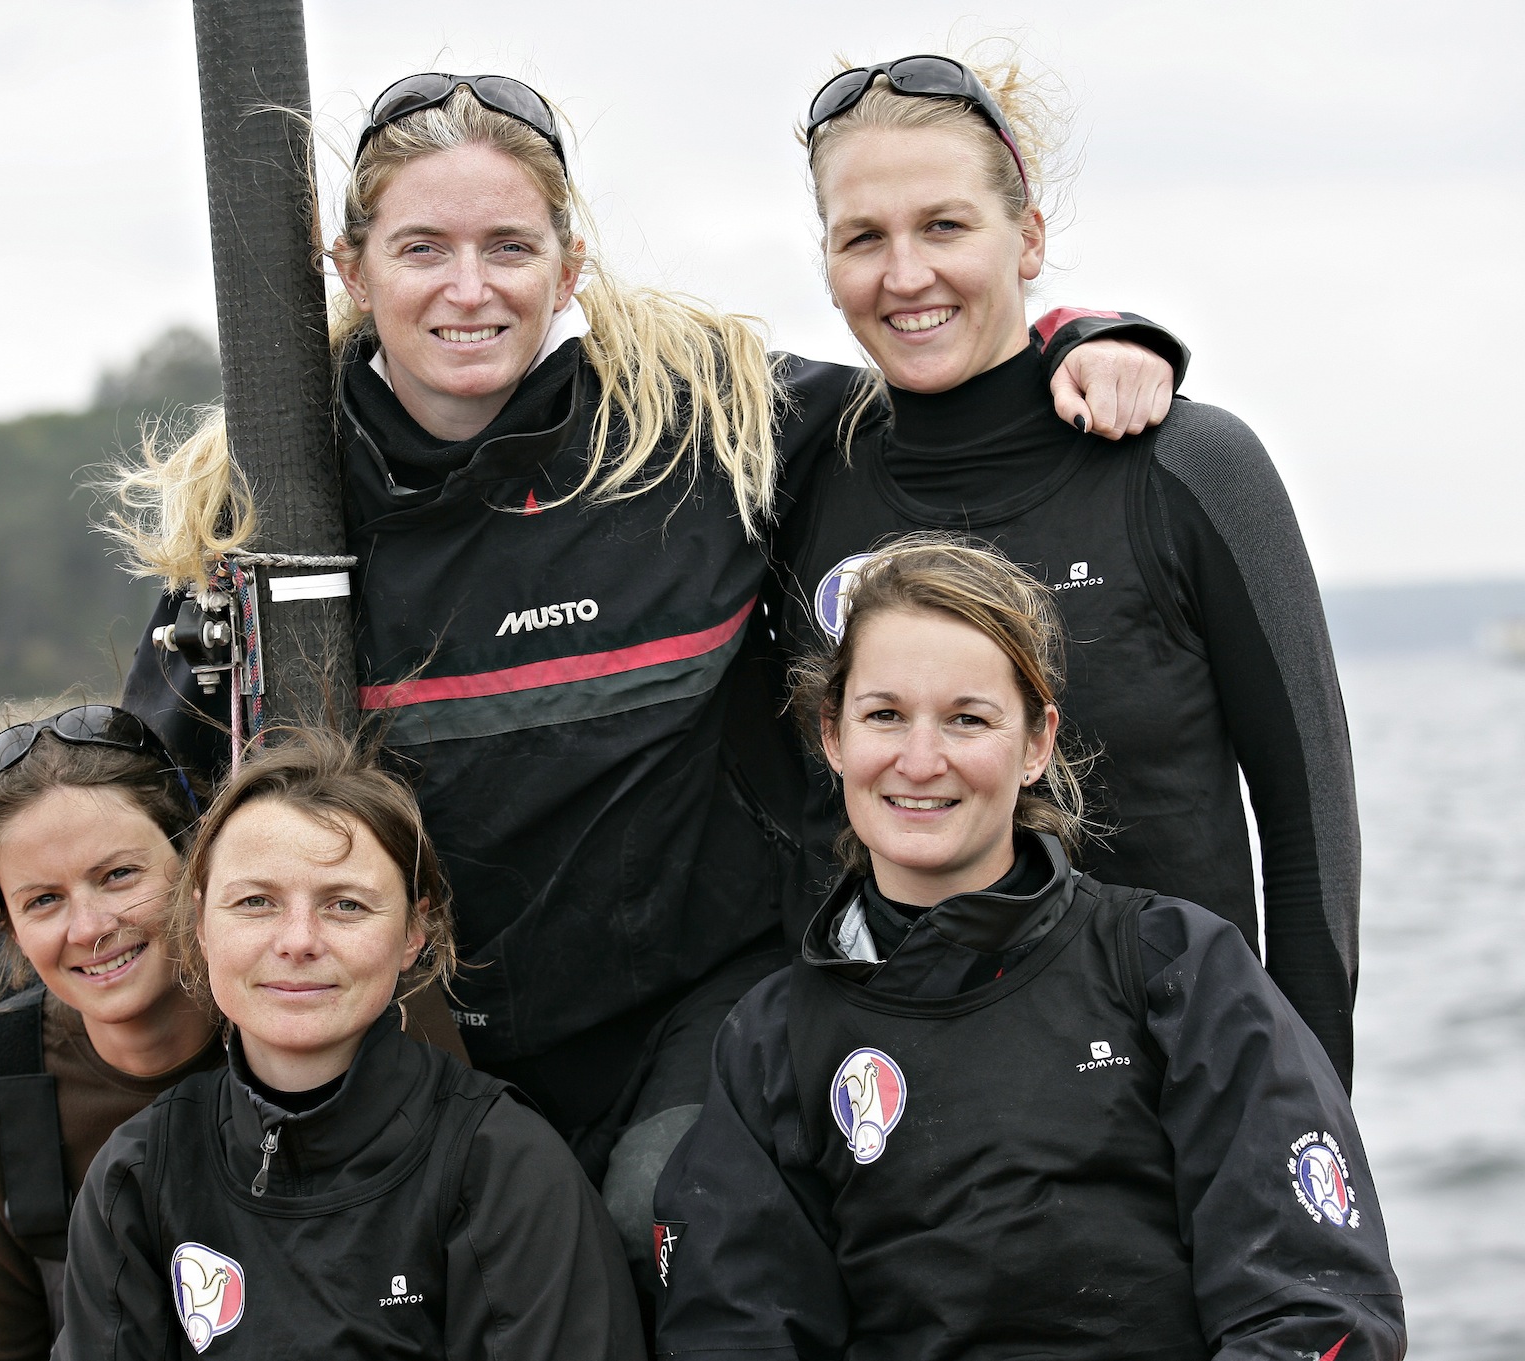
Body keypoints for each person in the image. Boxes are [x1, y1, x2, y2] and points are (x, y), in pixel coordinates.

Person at [89, 74, 1182, 1282]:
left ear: (567, 269)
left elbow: (929, 385)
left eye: (510, 247)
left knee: (653, 1208)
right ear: (350, 269)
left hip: (698, 1006)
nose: (469, 288)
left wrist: (1075, 334)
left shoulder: (690, 428)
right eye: (422, 248)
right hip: (434, 1025)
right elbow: (115, 808)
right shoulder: (279, 515)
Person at [653, 536, 1404, 1360]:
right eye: (884, 715)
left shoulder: (1176, 970)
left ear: (1037, 742)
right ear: (833, 735)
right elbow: (732, 1330)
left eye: (967, 719)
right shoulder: (771, 1044)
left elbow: (1315, 1307)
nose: (920, 761)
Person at [770, 51, 1362, 1087]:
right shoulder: (796, 477)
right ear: (826, 260)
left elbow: (1308, 823)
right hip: (899, 1113)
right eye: (862, 237)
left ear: (1029, 238)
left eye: (944, 226)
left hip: (1170, 1094)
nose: (904, 275)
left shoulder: (1186, 465)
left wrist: (1307, 1112)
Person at [54, 726, 645, 1360]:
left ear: (415, 931)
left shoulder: (504, 1169)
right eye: (255, 901)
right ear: (199, 924)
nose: (298, 941)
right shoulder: (140, 1175)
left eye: (346, 906)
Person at [0, 707, 223, 1361]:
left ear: (192, 860)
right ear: (9, 926)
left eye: (118, 875)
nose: (89, 928)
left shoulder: (304, 1026)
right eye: (44, 900)